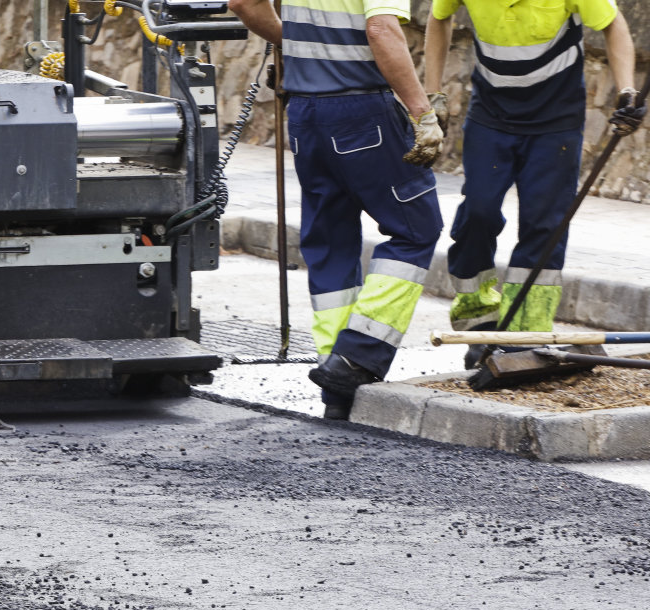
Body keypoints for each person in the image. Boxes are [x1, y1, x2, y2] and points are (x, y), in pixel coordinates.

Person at [228, 0, 446, 420]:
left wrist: (294, 44)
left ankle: (336, 381)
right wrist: (422, 112)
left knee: (330, 239)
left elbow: (242, 3)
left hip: (307, 114)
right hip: (363, 111)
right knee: (416, 229)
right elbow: (382, 31)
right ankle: (357, 357)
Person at [424, 0, 643, 366]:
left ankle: (524, 336)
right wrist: (434, 94)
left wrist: (627, 91)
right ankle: (478, 321)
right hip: (491, 116)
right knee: (478, 211)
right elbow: (437, 18)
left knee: (544, 225)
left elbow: (614, 24)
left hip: (555, 122)